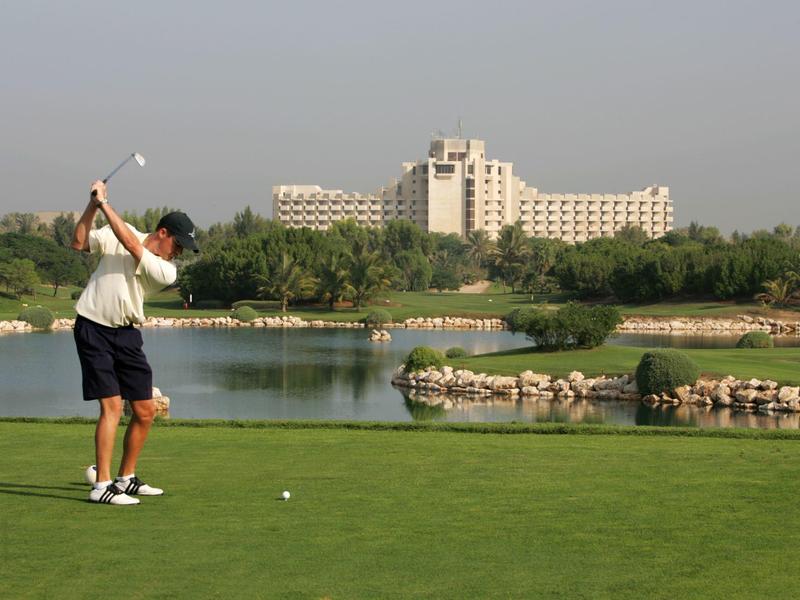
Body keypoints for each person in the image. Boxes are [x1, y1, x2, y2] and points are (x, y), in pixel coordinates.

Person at [71, 180, 199, 505]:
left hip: (127, 334)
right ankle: (101, 486)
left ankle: (125, 478)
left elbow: (130, 245)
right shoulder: (122, 229)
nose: (179, 252)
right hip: (93, 328)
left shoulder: (166, 271)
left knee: (144, 410)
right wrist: (92, 205)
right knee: (112, 406)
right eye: (179, 244)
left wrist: (104, 205)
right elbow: (79, 241)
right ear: (163, 232)